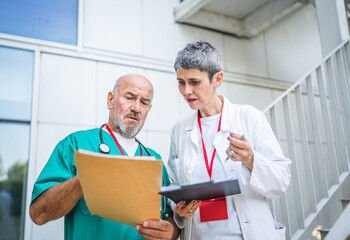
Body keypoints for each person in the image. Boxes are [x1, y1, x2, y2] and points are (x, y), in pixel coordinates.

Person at [29, 74, 179, 240]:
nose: (136, 108)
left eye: (144, 102)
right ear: (110, 100)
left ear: (148, 109)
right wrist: (85, 179)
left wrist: (172, 230)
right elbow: (39, 214)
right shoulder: (76, 144)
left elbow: (171, 216)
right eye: (130, 97)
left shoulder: (154, 160)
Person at [167, 41, 292, 240]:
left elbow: (281, 181)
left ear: (218, 79)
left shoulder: (249, 117)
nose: (186, 91)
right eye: (181, 82)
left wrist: (251, 159)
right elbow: (174, 184)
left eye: (194, 82)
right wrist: (177, 208)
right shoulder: (179, 129)